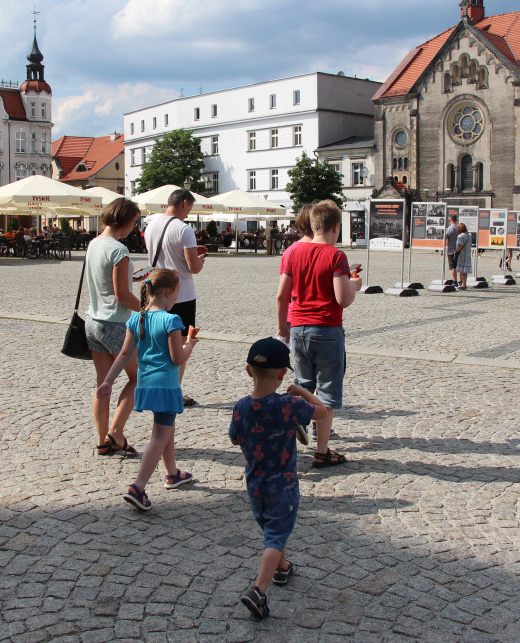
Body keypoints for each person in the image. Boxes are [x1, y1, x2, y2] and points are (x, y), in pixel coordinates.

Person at [229, 338, 321, 620]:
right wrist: (304, 393)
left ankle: (282, 568)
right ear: (283, 374)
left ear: (248, 370)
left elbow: (234, 438)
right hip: (284, 485)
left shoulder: (240, 407)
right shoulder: (288, 404)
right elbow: (324, 412)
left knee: (272, 531)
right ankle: (259, 590)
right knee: (276, 536)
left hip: (255, 484)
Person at [95, 268, 199, 512]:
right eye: (177, 295)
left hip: (145, 384)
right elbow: (177, 358)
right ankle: (138, 486)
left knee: (166, 427)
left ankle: (172, 474)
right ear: (169, 292)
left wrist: (108, 381)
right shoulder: (172, 320)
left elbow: (123, 354)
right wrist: (190, 344)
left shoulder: (136, 318)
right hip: (166, 385)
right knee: (160, 436)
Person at [276, 199, 360, 468]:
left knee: (303, 383)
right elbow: (342, 298)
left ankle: (291, 432)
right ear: (336, 227)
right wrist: (355, 284)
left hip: (298, 328)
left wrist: (283, 328)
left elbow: (281, 295)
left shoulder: (291, 252)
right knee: (327, 392)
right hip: (327, 329)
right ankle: (322, 451)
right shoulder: (337, 256)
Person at [86, 198, 145, 457]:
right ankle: (116, 433)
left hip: (93, 321)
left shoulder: (94, 244)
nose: (134, 227)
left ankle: (102, 441)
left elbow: (105, 279)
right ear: (126, 220)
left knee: (103, 383)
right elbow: (122, 296)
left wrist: (133, 277)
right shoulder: (119, 251)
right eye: (134, 221)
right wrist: (147, 310)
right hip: (115, 324)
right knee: (139, 378)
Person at [143, 188, 207, 407]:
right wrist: (200, 259)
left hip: (157, 292)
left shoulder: (150, 226)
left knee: (158, 345)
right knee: (179, 347)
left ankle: (157, 387)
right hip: (182, 294)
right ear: (184, 203)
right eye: (189, 208)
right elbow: (193, 268)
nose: (189, 213)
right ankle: (174, 393)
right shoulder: (184, 229)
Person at [454, 223, 473, 290]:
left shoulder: (461, 236)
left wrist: (456, 251)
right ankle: (463, 283)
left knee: (462, 270)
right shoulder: (469, 235)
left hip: (462, 254)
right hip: (467, 254)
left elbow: (460, 245)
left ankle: (463, 284)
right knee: (464, 270)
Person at [444, 214, 459, 284]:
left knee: (453, 267)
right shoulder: (460, 228)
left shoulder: (449, 229)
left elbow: (444, 238)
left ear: (449, 220)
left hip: (451, 250)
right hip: (459, 250)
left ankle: (455, 281)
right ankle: (461, 281)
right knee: (459, 266)